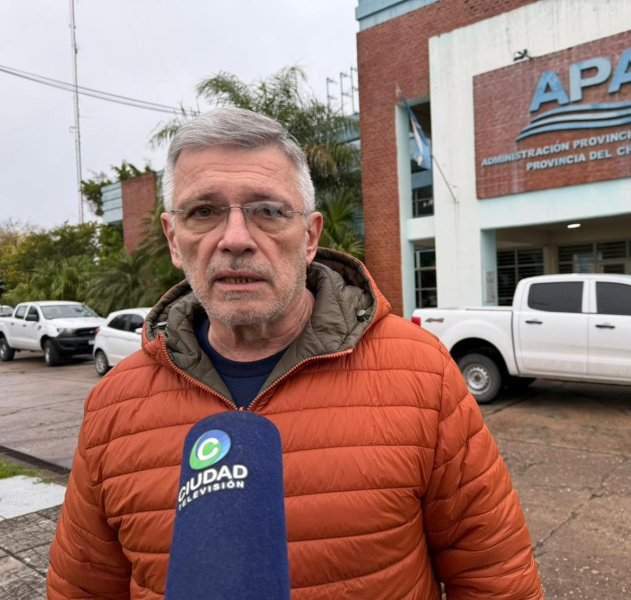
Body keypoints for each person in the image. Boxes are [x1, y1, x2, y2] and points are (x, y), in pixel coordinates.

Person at [47, 107, 543, 599]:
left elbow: (494, 577)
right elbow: (82, 589)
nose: (235, 240)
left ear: (309, 236)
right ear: (174, 240)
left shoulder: (422, 373)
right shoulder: (114, 405)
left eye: (267, 210)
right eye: (203, 212)